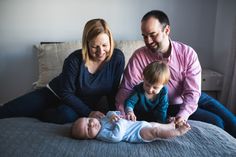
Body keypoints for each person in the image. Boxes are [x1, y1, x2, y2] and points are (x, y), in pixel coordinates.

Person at [115, 10, 236, 138]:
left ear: (166, 30)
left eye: (152, 34)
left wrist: (183, 115)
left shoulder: (187, 53)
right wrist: (123, 115)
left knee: (231, 120)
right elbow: (126, 89)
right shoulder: (139, 56)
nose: (148, 40)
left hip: (194, 97)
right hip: (170, 104)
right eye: (144, 36)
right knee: (218, 122)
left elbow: (193, 93)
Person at [0, 19, 125, 124]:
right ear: (86, 44)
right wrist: (89, 113)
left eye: (105, 45)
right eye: (94, 46)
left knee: (66, 115)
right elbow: (66, 93)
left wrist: (115, 114)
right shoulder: (74, 60)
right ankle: (36, 108)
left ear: (111, 42)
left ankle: (40, 113)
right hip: (54, 94)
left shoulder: (117, 58)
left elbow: (113, 92)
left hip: (77, 104)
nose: (100, 51)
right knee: (8, 110)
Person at [71, 111, 191, 143]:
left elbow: (111, 113)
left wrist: (112, 114)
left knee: (156, 124)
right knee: (155, 131)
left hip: (138, 124)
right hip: (137, 134)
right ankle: (178, 132)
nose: (91, 124)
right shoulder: (102, 134)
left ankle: (171, 125)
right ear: (89, 138)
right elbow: (116, 137)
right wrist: (120, 122)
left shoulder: (100, 120)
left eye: (88, 121)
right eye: (88, 129)